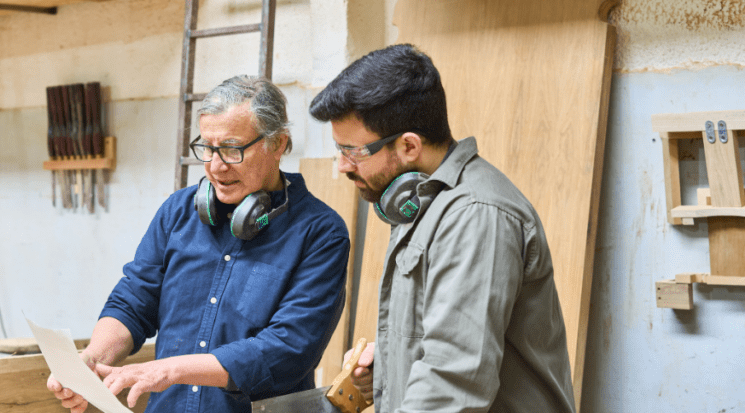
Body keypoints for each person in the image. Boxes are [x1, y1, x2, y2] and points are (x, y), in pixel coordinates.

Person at [48, 75, 351, 413]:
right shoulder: (178, 212)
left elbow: (288, 350)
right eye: (207, 148)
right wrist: (91, 359)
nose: (216, 167)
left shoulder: (321, 233)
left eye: (232, 149)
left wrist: (172, 369)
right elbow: (134, 299)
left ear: (277, 144)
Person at [308, 44, 576, 412]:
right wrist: (389, 363)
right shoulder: (420, 200)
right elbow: (447, 336)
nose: (341, 166)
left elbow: (453, 379)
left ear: (408, 146)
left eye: (352, 152)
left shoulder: (476, 215)